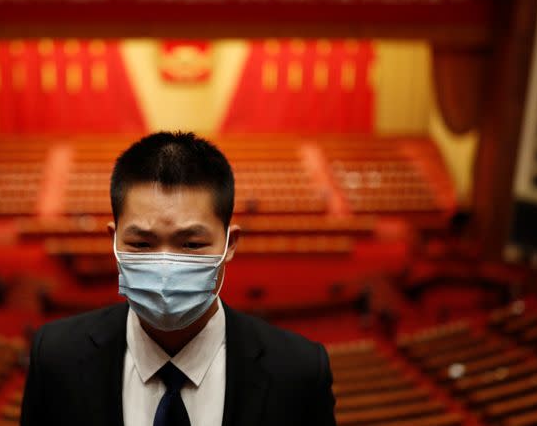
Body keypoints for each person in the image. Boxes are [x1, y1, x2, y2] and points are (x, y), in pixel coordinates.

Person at [21, 132, 336, 426]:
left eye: (192, 244)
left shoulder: (301, 370)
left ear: (230, 244)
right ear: (113, 240)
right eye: (141, 244)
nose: (164, 265)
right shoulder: (55, 357)